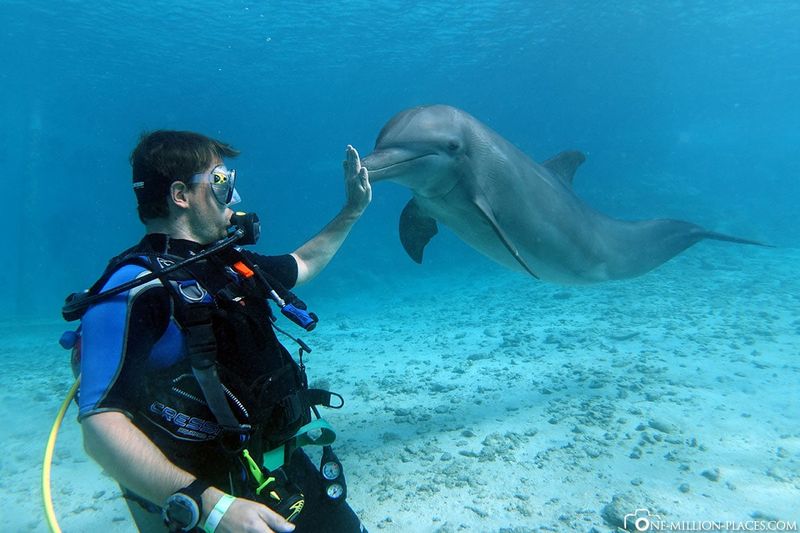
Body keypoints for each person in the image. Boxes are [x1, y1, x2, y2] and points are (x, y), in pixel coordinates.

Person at [70, 130, 371, 532]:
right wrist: (213, 508)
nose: (235, 197)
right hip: (206, 497)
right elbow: (100, 425)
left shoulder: (229, 263)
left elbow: (303, 262)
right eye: (221, 182)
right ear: (181, 194)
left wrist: (352, 210)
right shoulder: (134, 288)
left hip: (274, 470)